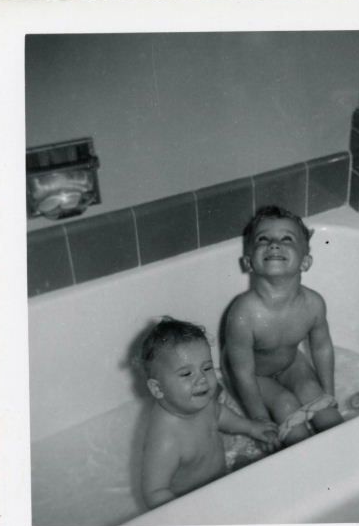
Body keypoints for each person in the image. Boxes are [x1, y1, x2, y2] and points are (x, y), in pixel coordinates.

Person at [224, 205, 344, 447]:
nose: (274, 244)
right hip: (252, 375)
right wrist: (259, 421)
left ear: (305, 261)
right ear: (249, 262)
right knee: (285, 404)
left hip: (290, 363)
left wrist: (329, 394)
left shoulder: (313, 304)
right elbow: (242, 373)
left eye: (287, 238)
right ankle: (306, 468)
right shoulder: (243, 313)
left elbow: (321, 348)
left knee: (315, 395)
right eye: (263, 239)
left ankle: (341, 459)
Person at [140, 317, 278, 509]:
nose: (202, 379)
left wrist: (250, 427)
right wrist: (182, 516)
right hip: (194, 502)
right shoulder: (166, 438)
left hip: (219, 481)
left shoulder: (198, 402)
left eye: (206, 367)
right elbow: (154, 492)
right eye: (186, 374)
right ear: (157, 389)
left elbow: (219, 414)